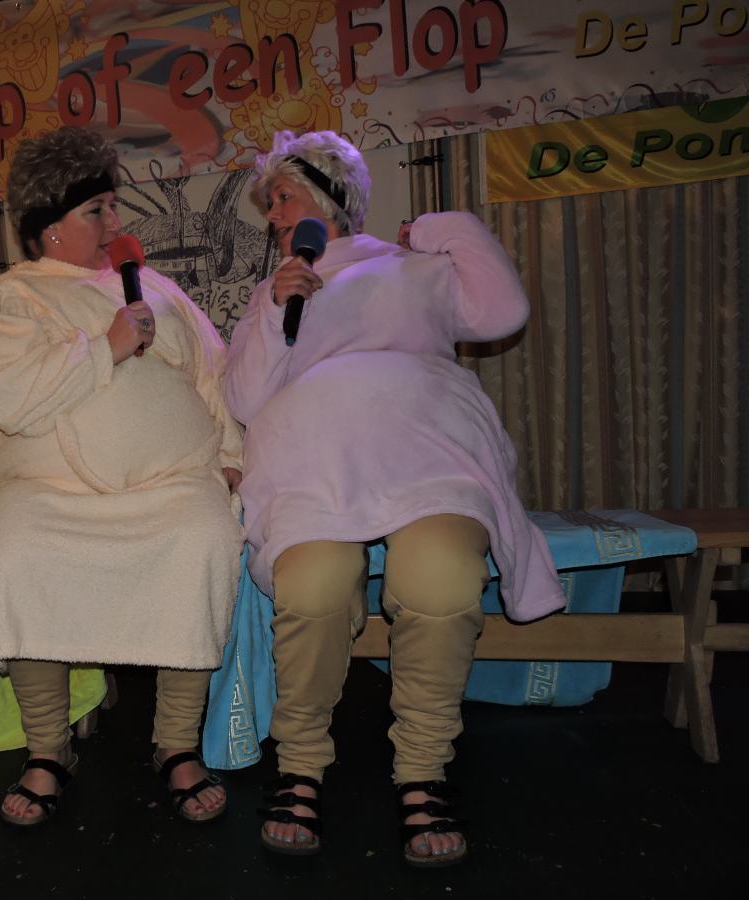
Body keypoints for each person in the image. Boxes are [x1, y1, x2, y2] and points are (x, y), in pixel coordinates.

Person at [224, 131, 566, 864]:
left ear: (331, 194)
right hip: (315, 467)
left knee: (441, 578)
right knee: (312, 586)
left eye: (282, 197)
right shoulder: (274, 290)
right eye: (270, 205)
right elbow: (246, 399)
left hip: (428, 454)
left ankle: (422, 769)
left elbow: (503, 310)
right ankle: (300, 764)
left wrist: (441, 228)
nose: (273, 216)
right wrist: (278, 311)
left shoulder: (415, 265)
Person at [0, 126, 244, 828]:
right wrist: (105, 347)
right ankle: (48, 748)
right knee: (16, 547)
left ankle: (176, 743)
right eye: (98, 211)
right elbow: (4, 394)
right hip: (49, 493)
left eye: (115, 207)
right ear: (50, 225)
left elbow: (213, 374)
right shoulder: (12, 298)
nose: (116, 223)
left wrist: (231, 454)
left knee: (204, 536)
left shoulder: (159, 291)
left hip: (172, 482)